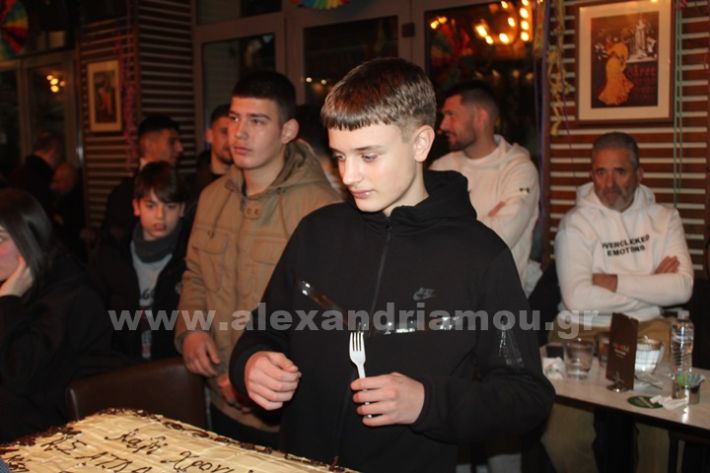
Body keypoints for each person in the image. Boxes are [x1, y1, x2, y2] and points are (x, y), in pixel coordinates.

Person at [229, 58, 554, 473]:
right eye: (340, 156)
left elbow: (525, 395)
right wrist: (251, 364)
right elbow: (261, 332)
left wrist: (428, 402)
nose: (349, 176)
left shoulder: (479, 256)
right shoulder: (316, 233)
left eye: (368, 156)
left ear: (420, 144)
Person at [176, 70, 340, 447]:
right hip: (218, 397)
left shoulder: (320, 209)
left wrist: (250, 375)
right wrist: (192, 329)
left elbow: (325, 318)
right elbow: (196, 275)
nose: (240, 133)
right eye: (235, 118)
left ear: (287, 131)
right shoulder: (213, 197)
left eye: (257, 121)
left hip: (287, 413)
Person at [544, 132, 693, 473]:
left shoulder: (665, 218)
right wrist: (652, 282)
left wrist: (613, 281)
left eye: (620, 172)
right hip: (579, 329)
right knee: (560, 438)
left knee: (663, 426)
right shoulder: (575, 223)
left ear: (640, 174)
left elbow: (682, 288)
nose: (608, 184)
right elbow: (577, 298)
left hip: (648, 327)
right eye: (600, 172)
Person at [0, 189, 114, 442]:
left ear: (28, 240)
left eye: (0, 239)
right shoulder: (16, 284)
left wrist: (8, 301)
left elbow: (20, 373)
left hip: (58, 439)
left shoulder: (70, 293)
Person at [432, 81, 540, 294]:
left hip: (499, 299)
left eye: (451, 115)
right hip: (445, 293)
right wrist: (485, 220)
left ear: (480, 117)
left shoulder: (518, 169)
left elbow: (498, 239)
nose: (442, 126)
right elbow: (420, 236)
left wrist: (447, 229)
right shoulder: (440, 167)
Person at [90, 161, 189, 362]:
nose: (160, 215)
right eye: (151, 205)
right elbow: (94, 318)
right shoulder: (111, 256)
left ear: (182, 209)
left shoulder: (192, 257)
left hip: (175, 367)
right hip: (123, 367)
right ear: (136, 207)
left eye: (170, 206)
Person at [103, 115, 184, 243]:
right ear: (149, 145)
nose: (180, 148)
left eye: (170, 206)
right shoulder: (124, 193)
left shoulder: (182, 186)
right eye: (172, 142)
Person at [9, 130, 64, 213]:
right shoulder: (39, 178)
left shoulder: (18, 173)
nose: (60, 160)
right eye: (60, 154)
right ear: (54, 152)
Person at [50, 162, 87, 262]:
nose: (55, 186)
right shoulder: (60, 198)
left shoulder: (80, 200)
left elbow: (74, 227)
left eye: (59, 181)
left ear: (69, 181)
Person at [193, 104, 233, 197]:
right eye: (224, 132)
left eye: (234, 134)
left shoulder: (249, 183)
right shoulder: (190, 187)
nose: (230, 140)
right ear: (209, 136)